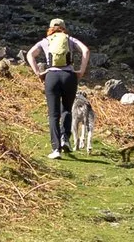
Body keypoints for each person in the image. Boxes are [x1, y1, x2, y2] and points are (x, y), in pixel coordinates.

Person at [26, 17, 90, 159]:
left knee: (53, 114)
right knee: (67, 109)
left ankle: (56, 150)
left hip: (51, 77)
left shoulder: (45, 41)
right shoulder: (70, 39)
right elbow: (85, 50)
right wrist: (81, 71)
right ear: (63, 28)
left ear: (50, 28)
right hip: (69, 76)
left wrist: (38, 73)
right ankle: (65, 139)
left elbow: (30, 54)